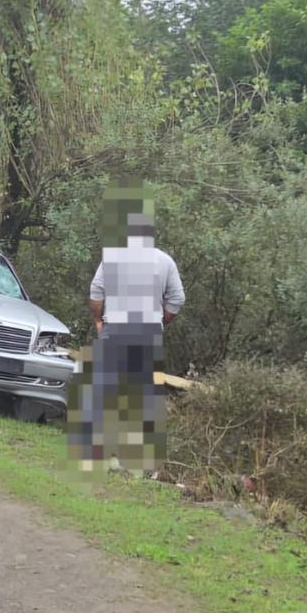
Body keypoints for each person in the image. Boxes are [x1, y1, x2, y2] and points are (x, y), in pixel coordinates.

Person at [68, 181, 184, 476]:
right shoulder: (165, 261)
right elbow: (176, 300)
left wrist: (98, 321)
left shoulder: (113, 257)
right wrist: (161, 321)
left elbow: (96, 293)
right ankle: (141, 465)